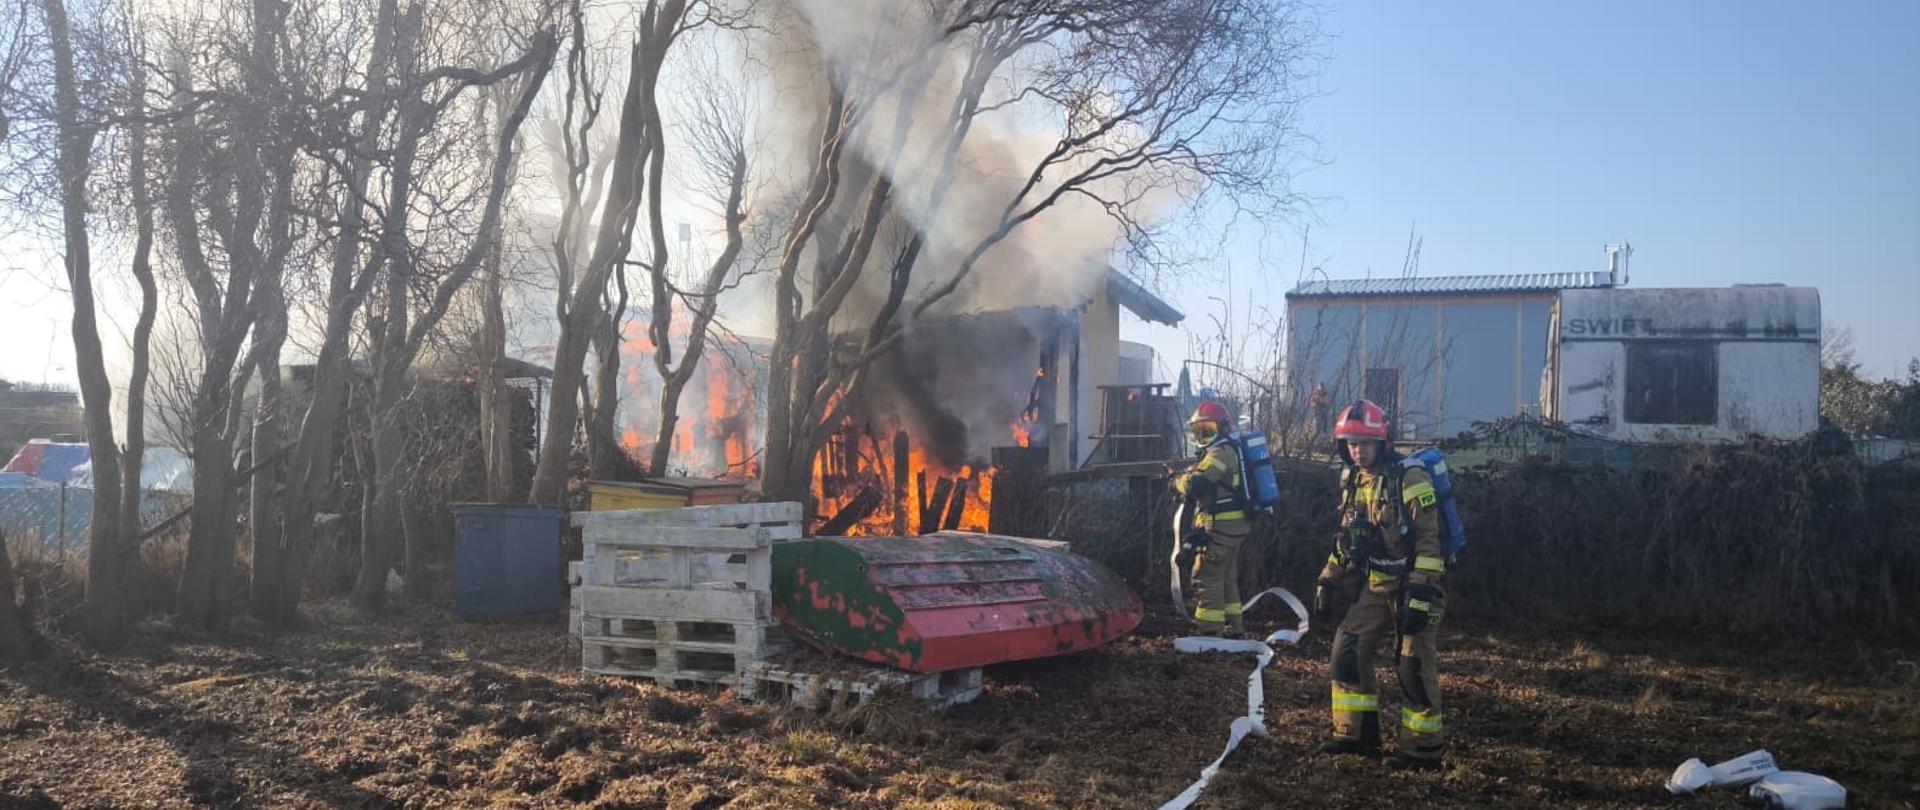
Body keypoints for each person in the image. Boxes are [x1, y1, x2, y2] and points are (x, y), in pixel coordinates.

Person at [1314, 399, 1448, 771]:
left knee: (1412, 667)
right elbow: (1348, 540)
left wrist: (1420, 595)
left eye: (1365, 443)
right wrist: (1328, 579)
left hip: (1413, 588)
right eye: (1351, 443)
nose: (1358, 450)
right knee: (1346, 652)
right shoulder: (1354, 480)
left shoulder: (1410, 478)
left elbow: (1429, 542)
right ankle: (1355, 737)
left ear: (1382, 442)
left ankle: (1423, 751)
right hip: (1375, 585)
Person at [1171, 401, 1249, 636]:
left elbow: (1198, 483)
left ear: (1223, 428)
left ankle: (1209, 630)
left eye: (1208, 430)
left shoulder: (1219, 452)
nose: (1203, 435)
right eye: (1199, 431)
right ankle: (1235, 627)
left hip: (1221, 529)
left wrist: (1175, 482)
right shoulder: (1231, 449)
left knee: (1205, 577)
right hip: (1235, 528)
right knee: (1226, 579)